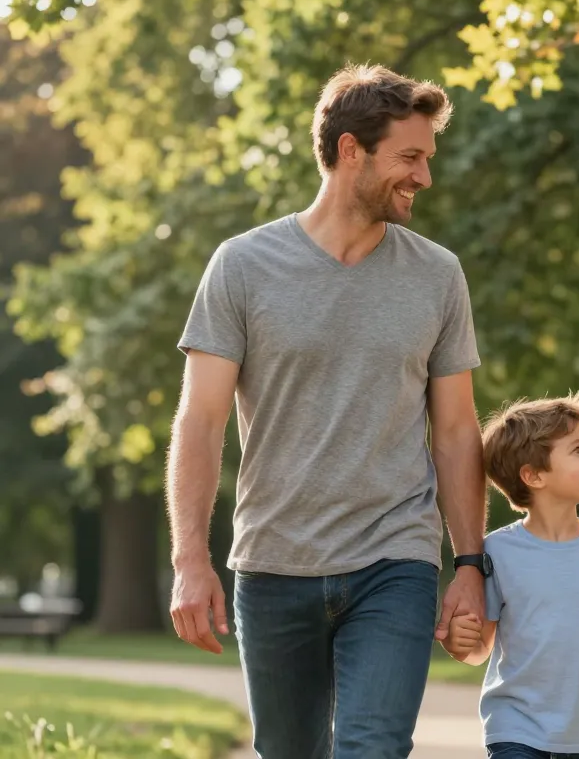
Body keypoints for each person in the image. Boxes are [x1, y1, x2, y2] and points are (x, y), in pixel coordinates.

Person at [166, 64, 488, 759]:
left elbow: (458, 432)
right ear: (350, 151)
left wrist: (470, 563)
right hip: (275, 562)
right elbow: (200, 420)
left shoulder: (437, 274)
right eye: (410, 158)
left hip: (393, 557)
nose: (424, 177)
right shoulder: (242, 266)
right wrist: (190, 557)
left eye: (427, 159)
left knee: (373, 747)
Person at [440, 394, 579, 759]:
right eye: (577, 449)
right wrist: (460, 641)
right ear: (533, 475)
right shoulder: (498, 552)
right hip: (513, 728)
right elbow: (478, 649)